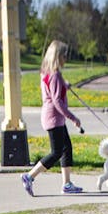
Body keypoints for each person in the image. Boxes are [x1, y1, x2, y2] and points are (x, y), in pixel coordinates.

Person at [22, 40, 85, 196]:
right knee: (56, 152)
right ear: (58, 56)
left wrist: (65, 85)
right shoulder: (55, 75)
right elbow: (56, 100)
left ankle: (67, 184)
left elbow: (53, 88)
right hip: (54, 118)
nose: (66, 58)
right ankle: (29, 176)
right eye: (64, 55)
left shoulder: (47, 71)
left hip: (53, 117)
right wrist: (73, 117)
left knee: (66, 148)